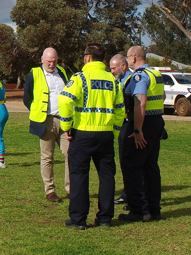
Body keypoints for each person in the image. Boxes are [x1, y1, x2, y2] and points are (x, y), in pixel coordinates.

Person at [59, 43, 126, 229]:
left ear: (87, 58)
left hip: (83, 133)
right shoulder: (113, 80)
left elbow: (64, 100)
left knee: (79, 176)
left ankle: (78, 219)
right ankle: (105, 218)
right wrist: (114, 131)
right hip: (105, 134)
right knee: (107, 176)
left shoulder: (80, 77)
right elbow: (120, 109)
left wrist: (66, 126)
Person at [119, 46, 165, 222]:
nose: (127, 60)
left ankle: (139, 210)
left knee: (132, 164)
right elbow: (161, 97)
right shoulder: (156, 74)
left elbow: (140, 102)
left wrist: (137, 130)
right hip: (156, 121)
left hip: (143, 123)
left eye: (128, 57)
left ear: (134, 58)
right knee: (150, 166)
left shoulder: (139, 76)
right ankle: (154, 209)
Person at [23, 47, 70, 203]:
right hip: (45, 121)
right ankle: (50, 190)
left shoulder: (63, 72)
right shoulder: (33, 74)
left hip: (64, 120)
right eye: (49, 61)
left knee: (70, 154)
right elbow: (27, 98)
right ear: (42, 59)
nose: (52, 64)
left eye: (54, 61)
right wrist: (38, 112)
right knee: (47, 157)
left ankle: (71, 189)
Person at [108, 53, 131, 206]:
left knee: (128, 161)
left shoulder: (130, 79)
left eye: (114, 68)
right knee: (124, 160)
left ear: (123, 66)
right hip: (121, 125)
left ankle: (130, 195)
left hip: (129, 124)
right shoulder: (118, 80)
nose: (112, 72)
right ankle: (128, 193)